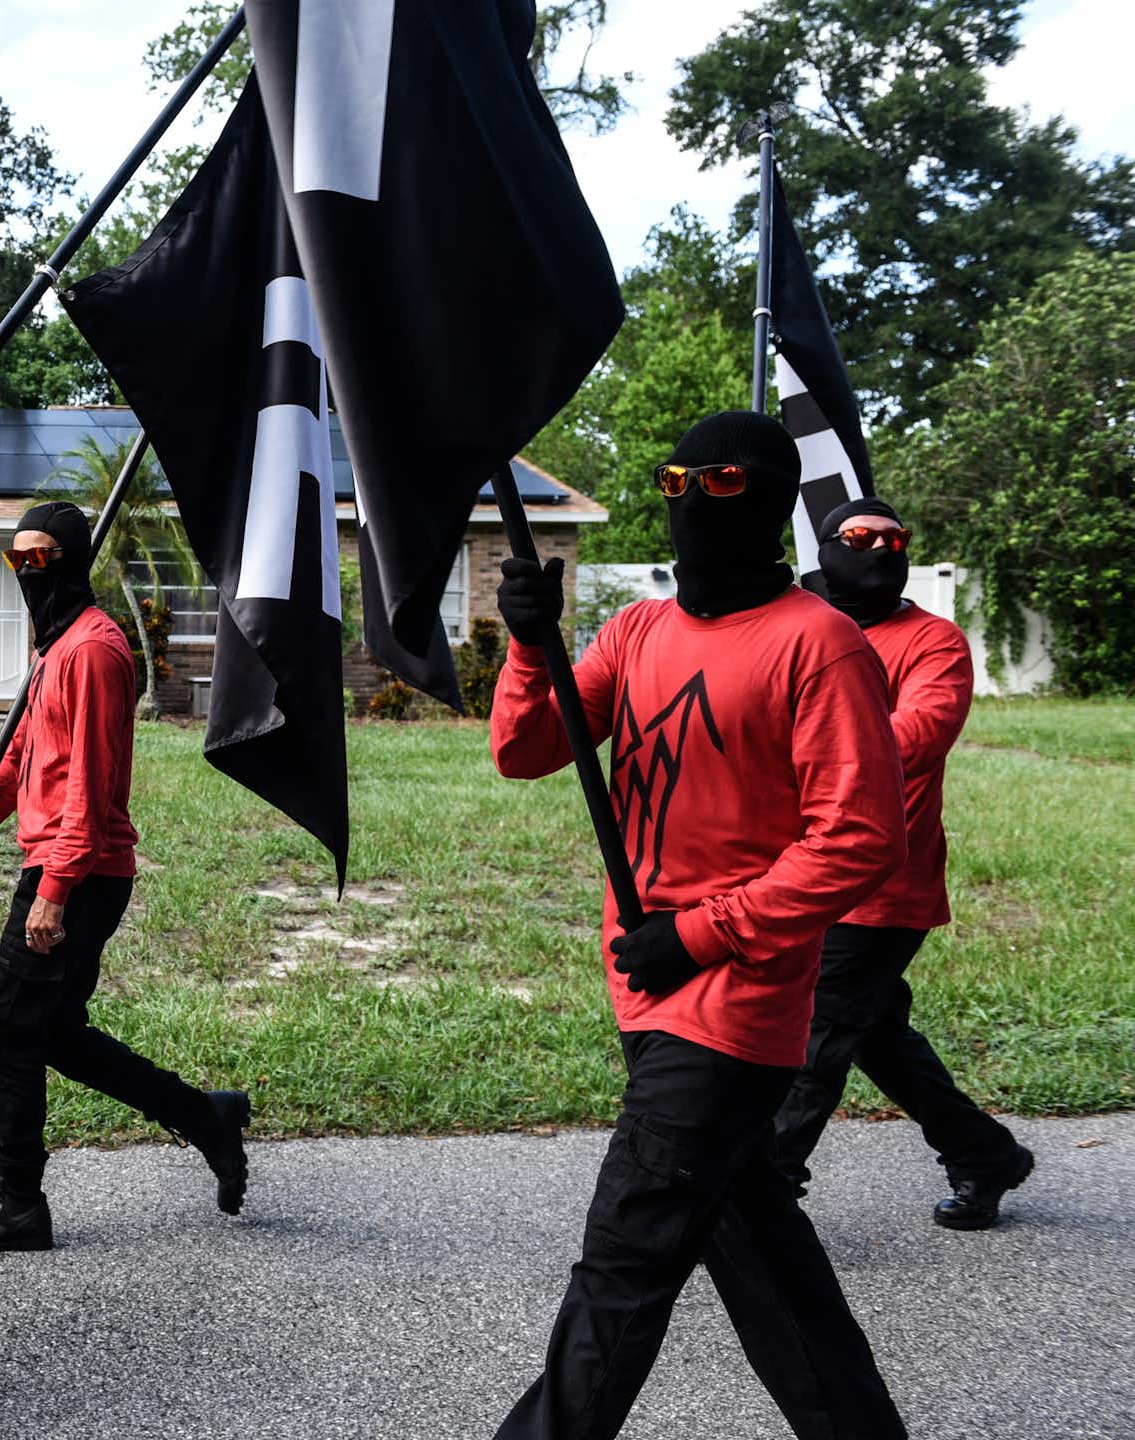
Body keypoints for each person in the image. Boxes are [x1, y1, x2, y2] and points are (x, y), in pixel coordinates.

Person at [486, 412, 910, 1440]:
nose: (688, 499)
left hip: (735, 1002)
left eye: (718, 481)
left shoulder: (820, 645)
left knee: (622, 1262)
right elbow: (528, 749)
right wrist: (529, 645)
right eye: (674, 478)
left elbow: (857, 841)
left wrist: (701, 934)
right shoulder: (638, 632)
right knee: (765, 1257)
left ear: (767, 501)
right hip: (644, 981)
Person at [0, 500, 248, 1254]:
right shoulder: (53, 648)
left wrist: (54, 892)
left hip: (82, 870)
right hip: (65, 864)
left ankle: (18, 1205)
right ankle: (205, 1116)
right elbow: (19, 763)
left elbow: (92, 788)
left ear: (70, 558)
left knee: (8, 1032)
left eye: (39, 559)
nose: (26, 573)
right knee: (52, 1032)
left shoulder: (93, 651)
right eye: (15, 561)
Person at [768, 497, 1034, 1229]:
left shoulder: (933, 642)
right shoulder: (799, 624)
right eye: (861, 536)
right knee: (873, 1034)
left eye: (895, 538)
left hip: (883, 883)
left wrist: (799, 740)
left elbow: (917, 733)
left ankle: (762, 1198)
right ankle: (984, 1153)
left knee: (814, 1036)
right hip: (796, 872)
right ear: (828, 547)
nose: (881, 548)